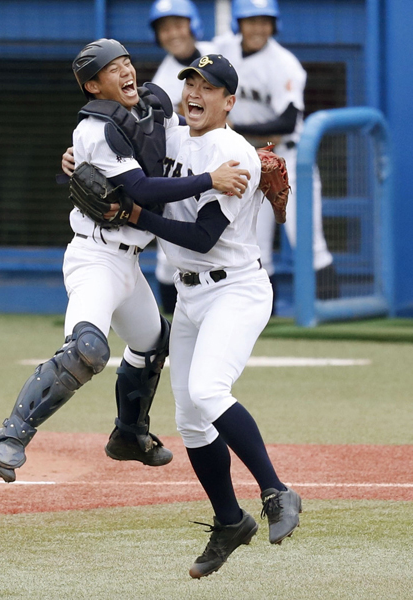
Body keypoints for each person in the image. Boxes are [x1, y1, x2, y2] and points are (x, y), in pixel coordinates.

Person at [0, 38, 250, 484]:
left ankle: (129, 434)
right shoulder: (94, 130)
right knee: (87, 349)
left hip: (130, 262)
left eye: (126, 61)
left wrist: (249, 157)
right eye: (113, 69)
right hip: (95, 257)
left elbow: (184, 142)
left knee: (153, 342)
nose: (126, 71)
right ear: (93, 86)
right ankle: (10, 436)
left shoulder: (151, 106)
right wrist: (211, 179)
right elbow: (141, 190)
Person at [108, 54, 302, 579]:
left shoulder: (235, 154)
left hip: (236, 288)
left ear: (229, 101)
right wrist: (75, 156)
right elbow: (124, 143)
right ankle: (230, 521)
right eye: (190, 82)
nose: (195, 92)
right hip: (190, 294)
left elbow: (200, 237)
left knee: (209, 391)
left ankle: (277, 491)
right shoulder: (172, 135)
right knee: (190, 420)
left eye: (208, 87)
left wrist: (137, 214)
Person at [213, 0, 340, 304]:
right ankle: (262, 314)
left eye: (264, 21)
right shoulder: (224, 49)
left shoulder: (284, 63)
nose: (258, 28)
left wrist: (234, 126)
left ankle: (329, 310)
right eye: (251, 21)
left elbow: (287, 121)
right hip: (249, 160)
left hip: (287, 159)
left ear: (273, 24)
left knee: (307, 240)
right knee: (254, 244)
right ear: (239, 24)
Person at [148, 0, 215, 314]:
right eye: (164, 28)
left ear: (193, 24)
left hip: (231, 157)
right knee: (169, 257)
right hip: (185, 165)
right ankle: (171, 322)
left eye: (178, 24)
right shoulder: (162, 80)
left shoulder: (219, 53)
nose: (172, 33)